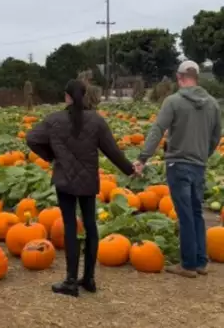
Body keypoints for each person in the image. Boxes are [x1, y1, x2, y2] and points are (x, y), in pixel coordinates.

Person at [26, 79, 135, 297]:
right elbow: (112, 151)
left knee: (70, 227)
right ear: (84, 96)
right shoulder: (96, 121)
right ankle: (89, 279)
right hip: (88, 181)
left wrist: (52, 156)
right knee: (90, 226)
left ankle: (70, 281)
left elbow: (32, 139)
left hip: (64, 179)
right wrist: (130, 170)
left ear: (66, 96)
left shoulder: (54, 120)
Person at [134, 60, 221, 278]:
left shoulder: (173, 101)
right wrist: (204, 154)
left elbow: (158, 129)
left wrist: (143, 157)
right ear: (197, 77)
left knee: (185, 214)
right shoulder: (212, 104)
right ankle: (201, 261)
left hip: (178, 164)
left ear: (179, 77)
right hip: (199, 165)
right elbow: (216, 136)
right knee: (197, 212)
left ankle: (188, 264)